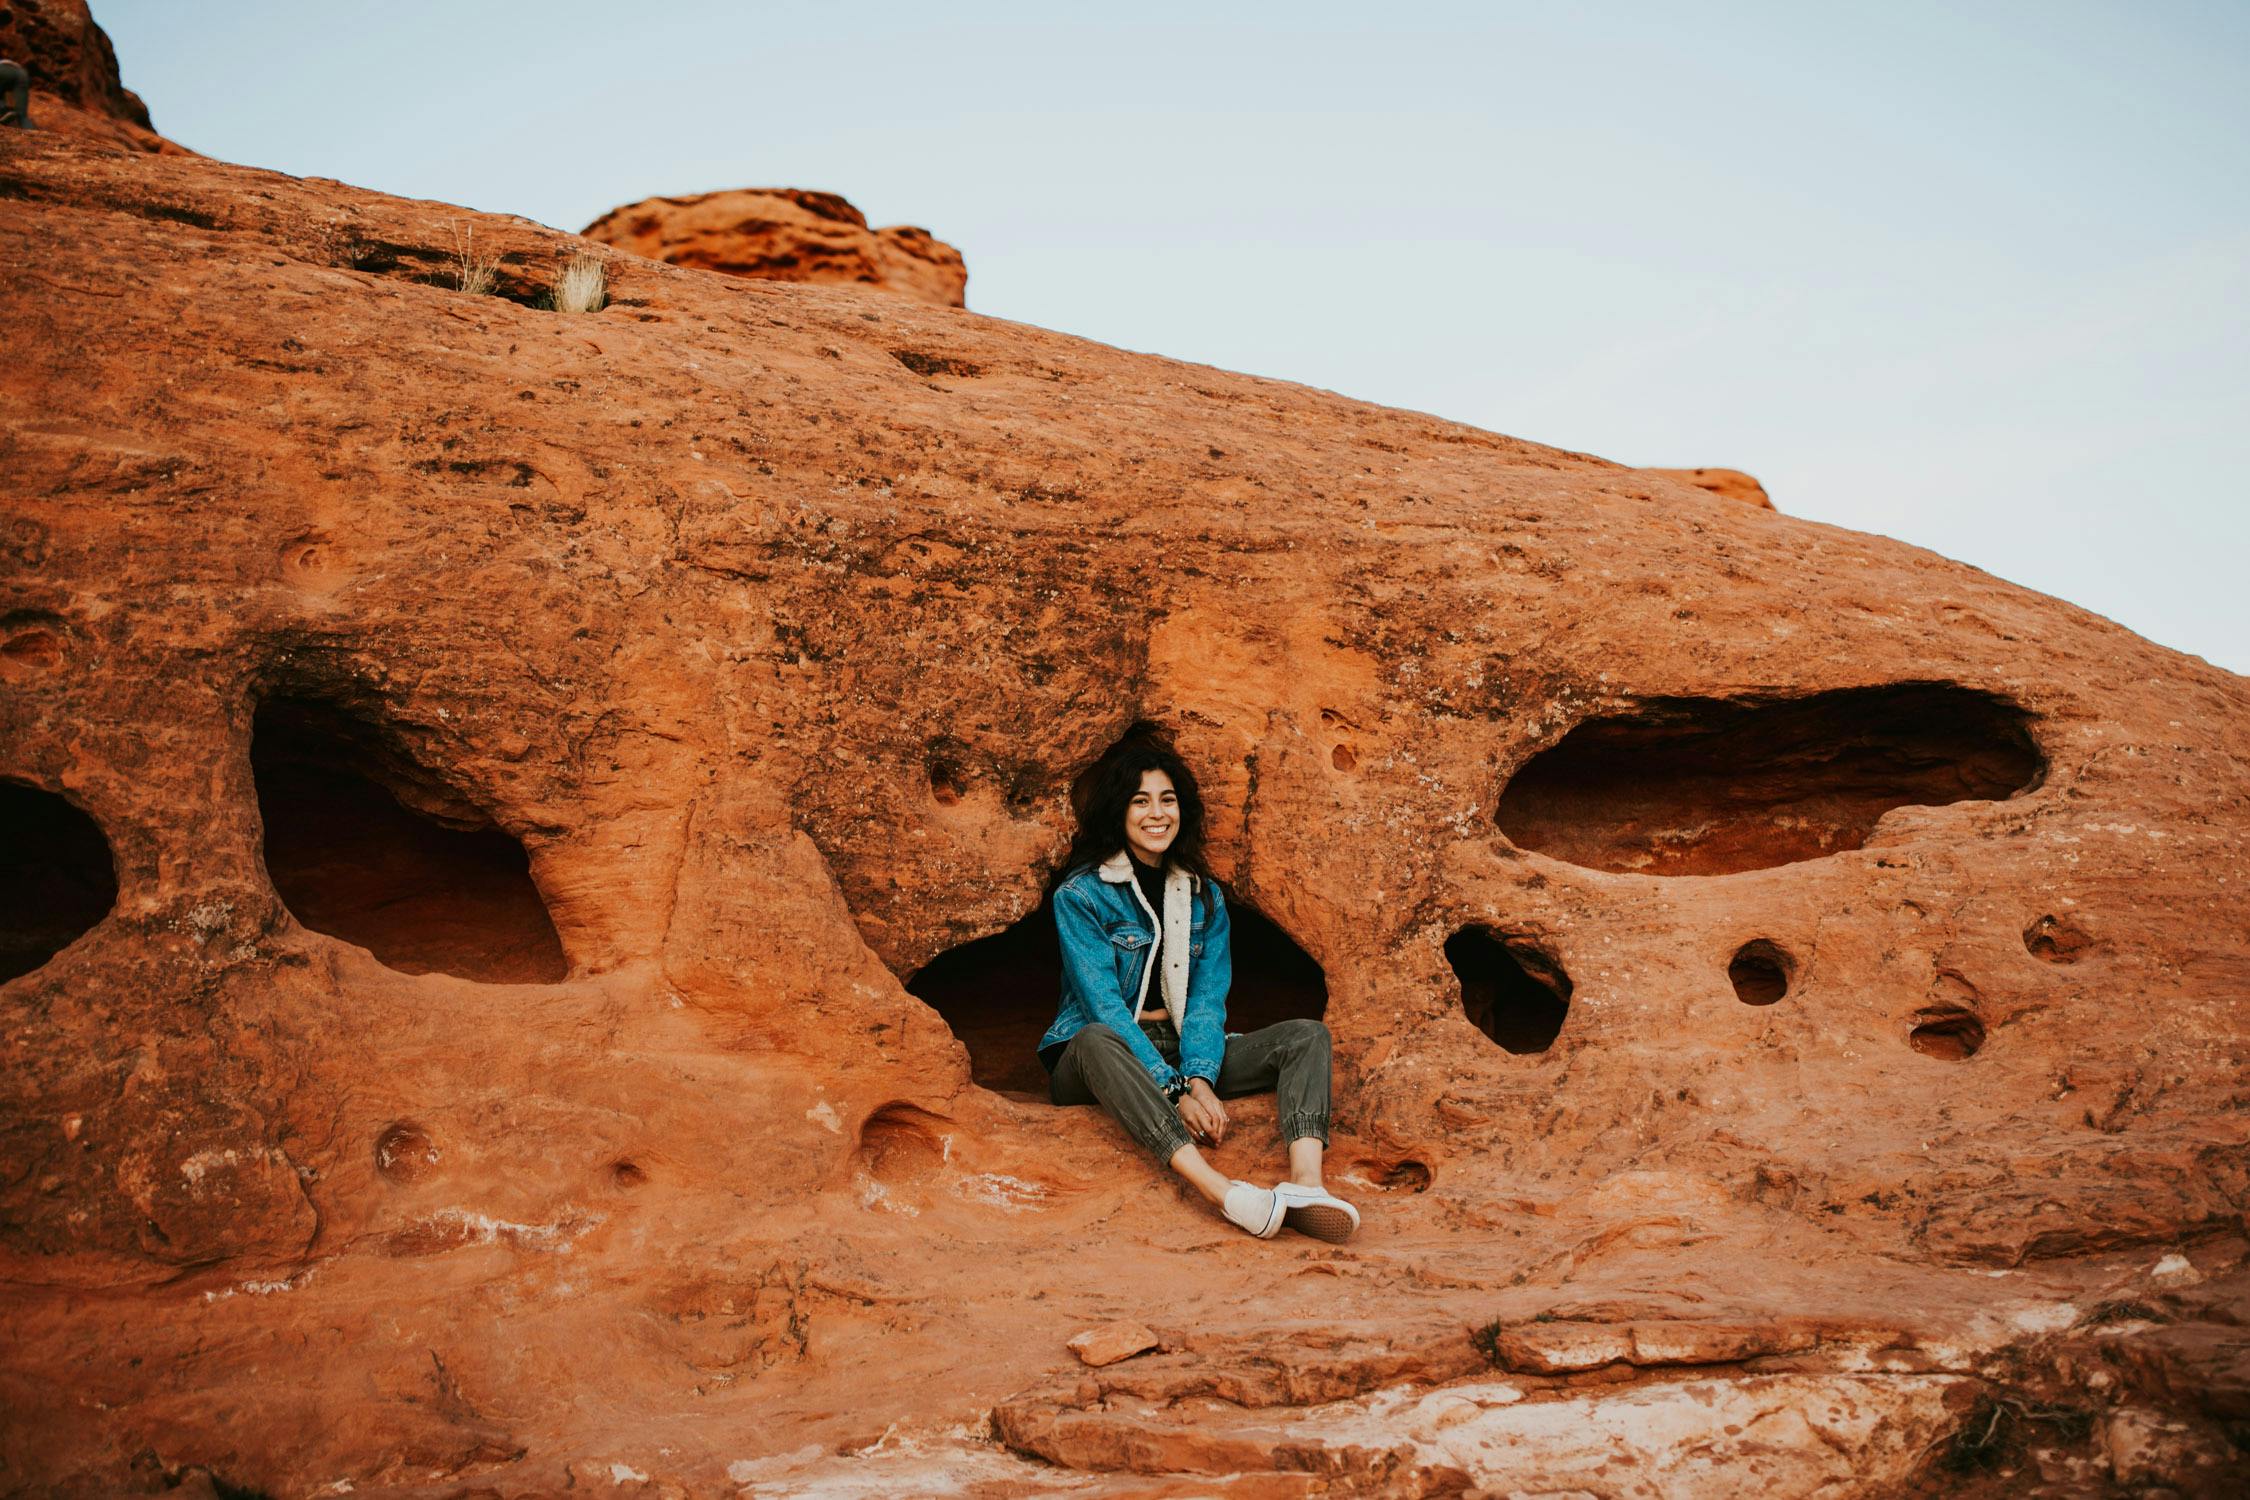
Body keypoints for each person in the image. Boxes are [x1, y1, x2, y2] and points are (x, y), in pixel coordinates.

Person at [1039, 732, 1359, 1241]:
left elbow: (1207, 1002)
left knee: (1306, 1036)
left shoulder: (1203, 896)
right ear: (1119, 812)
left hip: (1181, 1047)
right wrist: (1174, 1092)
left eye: (1167, 800)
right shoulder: (1081, 895)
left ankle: (1305, 1186)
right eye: (1140, 801)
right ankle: (1221, 1192)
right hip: (1098, 1058)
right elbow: (1105, 1008)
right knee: (1098, 1037)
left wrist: (1200, 1078)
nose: (1156, 814)